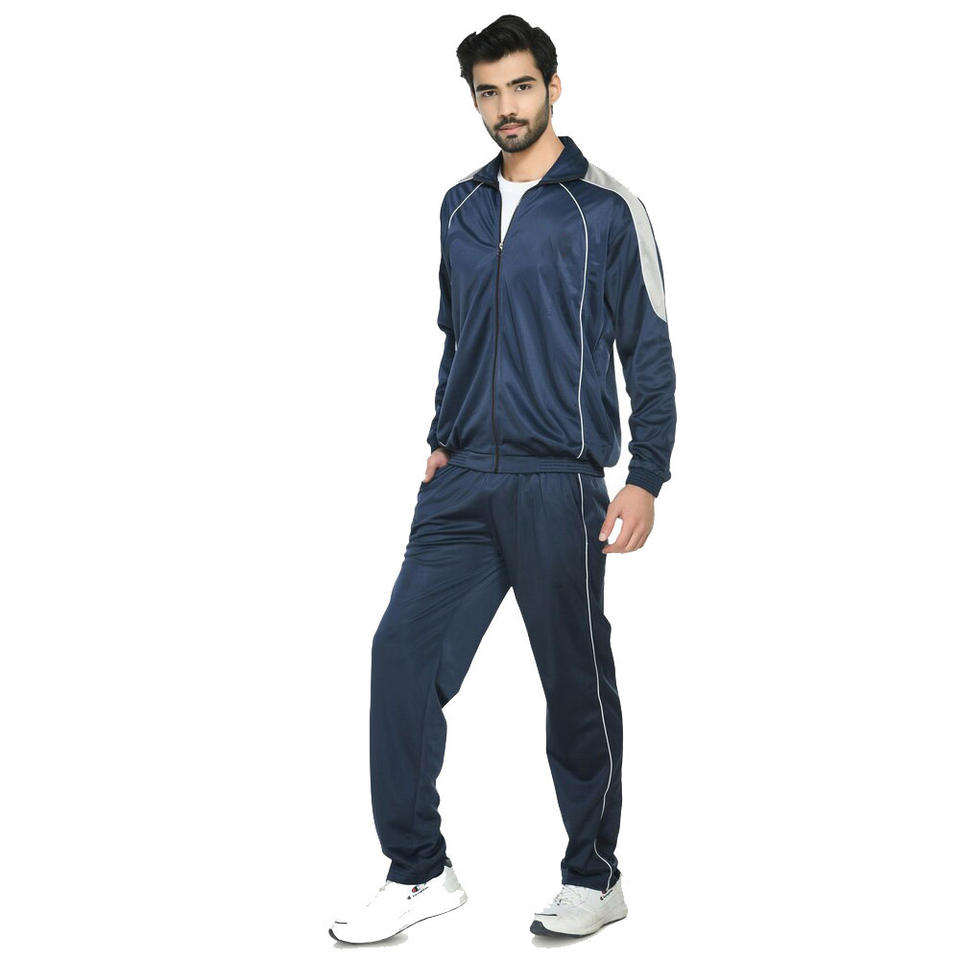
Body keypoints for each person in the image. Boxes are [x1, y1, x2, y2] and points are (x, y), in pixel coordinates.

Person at [329, 14, 677, 944]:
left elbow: (649, 350)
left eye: (521, 87)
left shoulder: (607, 209)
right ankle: (418, 869)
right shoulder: (460, 206)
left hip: (558, 480)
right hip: (460, 484)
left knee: (575, 682)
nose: (505, 108)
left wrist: (646, 476)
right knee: (401, 657)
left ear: (553, 87)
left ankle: (594, 876)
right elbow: (459, 335)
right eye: (488, 92)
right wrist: (439, 437)